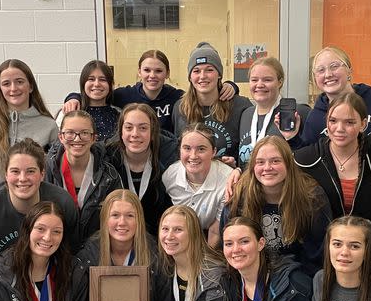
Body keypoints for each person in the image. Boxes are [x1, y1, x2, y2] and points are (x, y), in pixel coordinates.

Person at [294, 93, 371, 274]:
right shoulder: (306, 160)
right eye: (333, 121)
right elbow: (269, 170)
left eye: (349, 122)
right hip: (326, 252)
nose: (339, 128)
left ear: (363, 124)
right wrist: (237, 172)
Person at [0, 138, 79, 266]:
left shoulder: (62, 203)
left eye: (31, 171)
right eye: (15, 171)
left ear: (42, 174)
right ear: (5, 174)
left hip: (47, 277)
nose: (22, 178)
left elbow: (71, 253)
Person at [223, 136, 331, 276]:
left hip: (296, 277)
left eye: (275, 161)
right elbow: (228, 243)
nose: (267, 168)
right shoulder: (239, 196)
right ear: (252, 167)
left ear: (288, 164)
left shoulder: (311, 197)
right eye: (260, 162)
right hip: (251, 272)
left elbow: (317, 254)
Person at [63, 50, 239, 136]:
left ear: (167, 73)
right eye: (147, 70)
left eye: (158, 71)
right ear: (139, 72)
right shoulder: (125, 96)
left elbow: (200, 92)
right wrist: (74, 97)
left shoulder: (177, 97)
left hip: (165, 157)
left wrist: (230, 86)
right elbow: (99, 93)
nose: (152, 76)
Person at [296, 46, 371, 145]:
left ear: (349, 71)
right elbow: (308, 159)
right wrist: (292, 138)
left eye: (334, 66)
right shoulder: (315, 118)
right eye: (321, 70)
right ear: (315, 78)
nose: (328, 74)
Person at [45, 109, 122, 243]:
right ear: (61, 137)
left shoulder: (110, 176)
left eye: (85, 133)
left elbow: (117, 221)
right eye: (70, 133)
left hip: (95, 251)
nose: (77, 139)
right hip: (53, 248)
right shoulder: (46, 170)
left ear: (94, 138)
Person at [172, 42, 253, 167]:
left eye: (209, 70)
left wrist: (237, 165)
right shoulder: (180, 108)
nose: (202, 76)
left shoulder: (240, 106)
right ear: (190, 76)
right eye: (196, 71)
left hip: (229, 180)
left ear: (219, 74)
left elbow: (249, 150)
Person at [0, 59, 57, 183]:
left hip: (31, 198)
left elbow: (55, 171)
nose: (13, 88)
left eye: (19, 82)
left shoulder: (49, 125)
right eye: (6, 84)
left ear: (30, 86)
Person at [105, 103, 175, 234]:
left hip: (159, 240)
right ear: (121, 131)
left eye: (143, 128)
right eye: (128, 128)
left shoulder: (169, 158)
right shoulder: (108, 158)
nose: (135, 134)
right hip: (118, 236)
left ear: (153, 132)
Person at [163, 124, 233, 247]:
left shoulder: (227, 181)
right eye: (187, 148)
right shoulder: (170, 176)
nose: (193, 155)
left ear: (213, 152)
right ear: (180, 150)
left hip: (213, 240)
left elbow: (215, 231)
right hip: (178, 238)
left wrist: (202, 263)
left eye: (201, 149)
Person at [237, 57, 310, 165]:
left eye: (267, 80)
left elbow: (310, 157)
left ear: (280, 82)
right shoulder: (246, 114)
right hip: (250, 181)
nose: (259, 85)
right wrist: (238, 168)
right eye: (254, 80)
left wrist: (293, 139)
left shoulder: (298, 113)